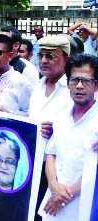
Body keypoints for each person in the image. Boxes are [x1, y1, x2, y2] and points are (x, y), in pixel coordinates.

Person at [38, 54, 98, 221]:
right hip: (53, 203)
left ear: (96, 86)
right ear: (67, 83)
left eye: (86, 81)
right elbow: (51, 153)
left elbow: (94, 171)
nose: (79, 86)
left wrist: (64, 197)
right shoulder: (61, 114)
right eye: (74, 80)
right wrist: (53, 185)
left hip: (85, 205)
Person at [28, 35, 73, 221]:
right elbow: (30, 119)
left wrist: (58, 130)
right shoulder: (38, 86)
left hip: (58, 168)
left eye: (51, 56)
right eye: (41, 55)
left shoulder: (74, 88)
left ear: (66, 59)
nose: (44, 61)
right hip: (32, 162)